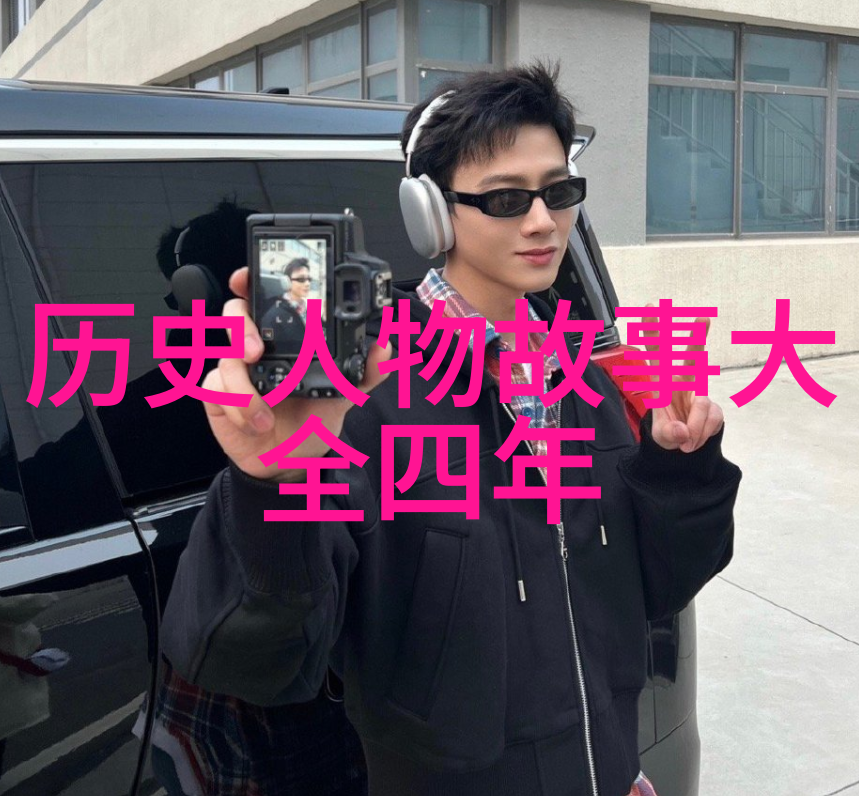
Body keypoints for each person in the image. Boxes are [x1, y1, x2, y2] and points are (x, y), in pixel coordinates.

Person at [161, 61, 741, 796]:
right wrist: (270, 486)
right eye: (505, 198)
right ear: (430, 213)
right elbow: (257, 663)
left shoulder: (586, 380)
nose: (542, 222)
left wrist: (679, 471)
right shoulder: (364, 402)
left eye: (558, 192)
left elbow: (659, 591)